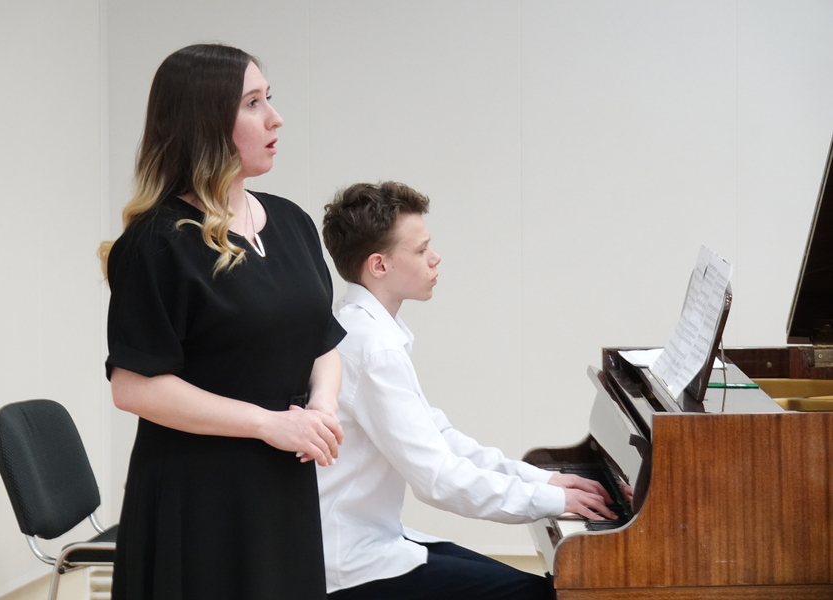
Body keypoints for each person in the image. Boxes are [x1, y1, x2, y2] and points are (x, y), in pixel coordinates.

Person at [99, 44, 345, 600]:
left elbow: (321, 339)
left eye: (269, 99)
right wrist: (268, 424)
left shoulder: (292, 222)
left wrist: (322, 409)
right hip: (198, 495)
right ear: (205, 123)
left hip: (283, 483)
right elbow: (134, 386)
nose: (275, 118)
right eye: (253, 104)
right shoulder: (157, 242)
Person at [318, 181, 629, 600]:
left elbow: (441, 438)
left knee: (547, 588)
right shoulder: (372, 347)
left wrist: (546, 480)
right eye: (421, 250)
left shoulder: (365, 328)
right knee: (548, 595)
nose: (435, 257)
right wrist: (551, 500)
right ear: (379, 265)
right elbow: (438, 480)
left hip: (372, 539)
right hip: (352, 564)